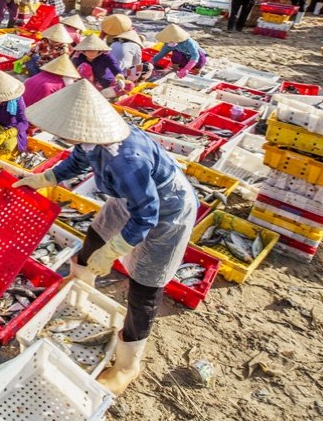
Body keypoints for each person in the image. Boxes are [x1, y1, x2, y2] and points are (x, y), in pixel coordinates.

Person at [14, 80, 197, 396]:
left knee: (145, 286)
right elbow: (78, 159)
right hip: (129, 198)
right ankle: (79, 286)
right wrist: (45, 178)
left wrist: (115, 249)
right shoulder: (91, 138)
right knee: (95, 237)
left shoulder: (126, 159)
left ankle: (127, 365)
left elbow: (147, 215)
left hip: (167, 212)